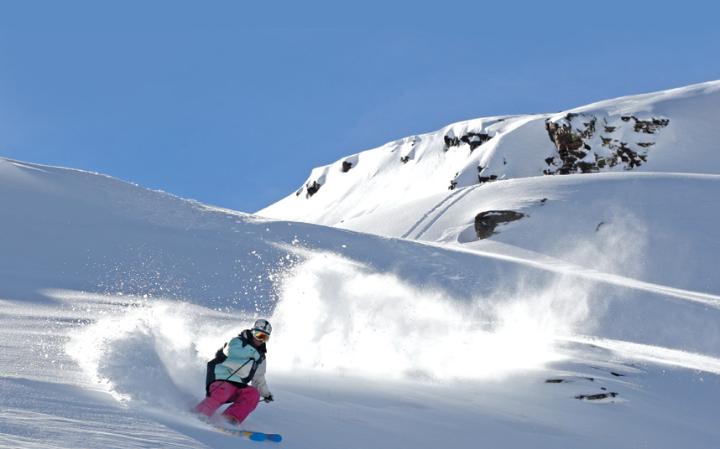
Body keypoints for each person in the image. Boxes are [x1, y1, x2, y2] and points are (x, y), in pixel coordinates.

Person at [195, 319, 274, 425]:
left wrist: (266, 393)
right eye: (258, 335)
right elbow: (232, 352)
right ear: (252, 332)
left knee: (253, 394)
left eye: (265, 337)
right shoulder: (238, 341)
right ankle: (200, 414)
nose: (261, 340)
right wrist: (254, 354)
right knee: (224, 391)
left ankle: (229, 419)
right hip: (221, 379)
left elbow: (258, 376)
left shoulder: (261, 356)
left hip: (239, 384)